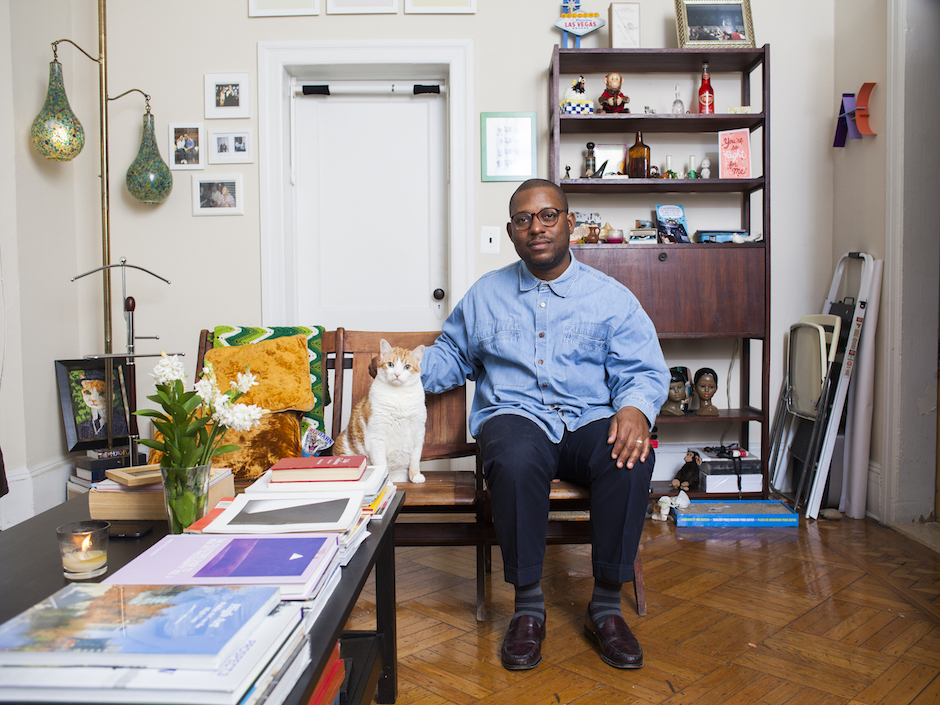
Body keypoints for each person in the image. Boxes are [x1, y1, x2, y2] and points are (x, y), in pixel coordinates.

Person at [420, 178, 669, 671]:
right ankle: (528, 607)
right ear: (512, 232)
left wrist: (636, 409)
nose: (536, 227)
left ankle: (605, 607)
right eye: (523, 219)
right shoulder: (485, 295)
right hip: (516, 417)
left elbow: (643, 371)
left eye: (548, 215)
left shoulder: (611, 298)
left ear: (570, 223)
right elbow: (450, 355)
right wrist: (403, 367)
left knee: (629, 454)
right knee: (512, 457)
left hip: (587, 418)